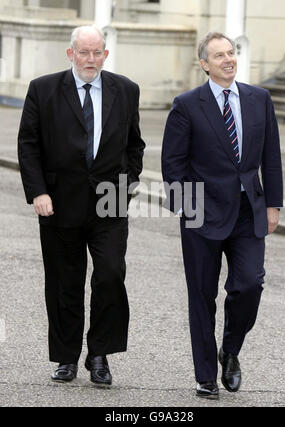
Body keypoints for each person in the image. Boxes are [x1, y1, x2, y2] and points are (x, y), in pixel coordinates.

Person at [18, 25, 145, 386]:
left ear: (106, 54)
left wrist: (126, 186)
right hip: (58, 203)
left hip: (109, 203)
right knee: (64, 282)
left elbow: (134, 145)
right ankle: (66, 357)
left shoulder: (126, 90)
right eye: (84, 52)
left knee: (109, 274)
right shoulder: (43, 89)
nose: (91, 59)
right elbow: (28, 144)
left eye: (97, 52)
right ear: (70, 53)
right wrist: (38, 191)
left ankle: (100, 353)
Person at [161, 32, 283, 400]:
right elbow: (173, 162)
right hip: (202, 211)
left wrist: (274, 204)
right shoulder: (187, 105)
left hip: (249, 211)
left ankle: (230, 351)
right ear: (204, 64)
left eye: (231, 53)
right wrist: (185, 207)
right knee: (201, 295)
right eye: (219, 55)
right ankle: (204, 376)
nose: (228, 59)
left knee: (249, 284)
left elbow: (272, 157)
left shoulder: (259, 99)